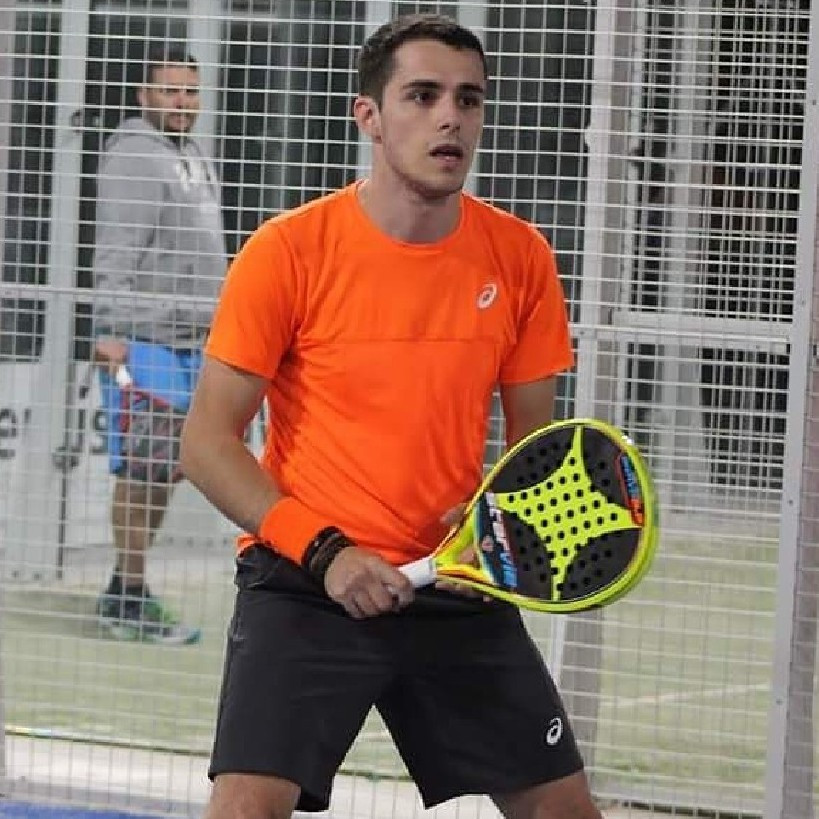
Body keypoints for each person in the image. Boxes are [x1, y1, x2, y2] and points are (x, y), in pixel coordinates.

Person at [181, 13, 604, 819]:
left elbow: (535, 454)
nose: (451, 118)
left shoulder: (522, 258)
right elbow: (205, 444)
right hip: (307, 582)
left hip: (455, 581)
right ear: (368, 116)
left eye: (468, 99)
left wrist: (497, 524)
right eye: (422, 95)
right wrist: (328, 552)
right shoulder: (287, 251)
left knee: (563, 813)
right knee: (245, 807)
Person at [92, 44, 227, 645]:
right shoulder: (135, 156)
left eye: (190, 91)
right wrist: (110, 331)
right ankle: (127, 594)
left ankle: (124, 588)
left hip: (192, 339)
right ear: (143, 95)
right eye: (169, 90)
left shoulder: (190, 152)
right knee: (144, 468)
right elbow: (115, 249)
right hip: (145, 338)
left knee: (166, 468)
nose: (182, 101)